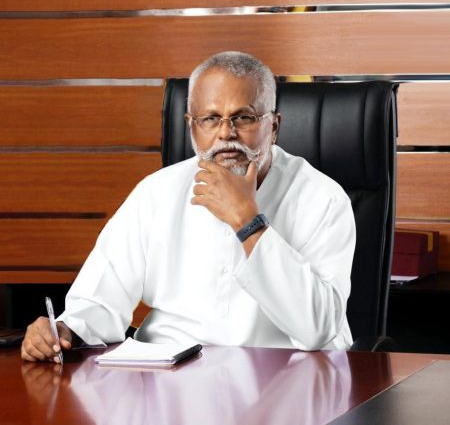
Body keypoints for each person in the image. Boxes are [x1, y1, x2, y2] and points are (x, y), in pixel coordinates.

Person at [21, 51, 355, 363]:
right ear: (191, 126)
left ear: (274, 127)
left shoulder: (323, 199)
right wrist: (64, 330)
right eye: (210, 118)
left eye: (244, 117)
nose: (226, 133)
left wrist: (247, 220)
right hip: (167, 377)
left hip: (282, 376)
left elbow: (319, 329)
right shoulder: (157, 192)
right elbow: (98, 298)